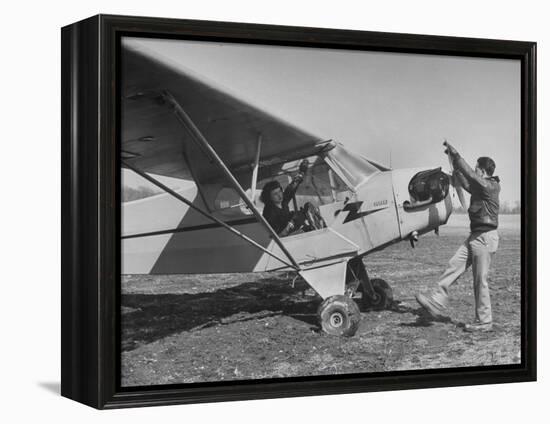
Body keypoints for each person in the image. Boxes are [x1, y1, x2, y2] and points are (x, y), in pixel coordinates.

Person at [416, 141, 500, 332]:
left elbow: (469, 176)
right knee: (454, 264)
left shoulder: (490, 186)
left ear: (483, 171)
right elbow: (465, 180)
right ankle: (436, 300)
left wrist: (456, 154)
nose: (475, 170)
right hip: (476, 237)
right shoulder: (481, 187)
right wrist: (454, 166)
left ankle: (485, 321)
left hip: (485, 238)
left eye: (477, 168)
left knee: (480, 280)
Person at [260, 160, 324, 237]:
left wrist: (301, 172)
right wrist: (292, 223)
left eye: (280, 191)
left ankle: (321, 228)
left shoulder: (283, 200)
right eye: (275, 194)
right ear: (268, 197)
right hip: (285, 239)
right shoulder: (269, 213)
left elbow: (292, 188)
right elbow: (278, 236)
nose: (280, 196)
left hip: (293, 229)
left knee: (307, 207)